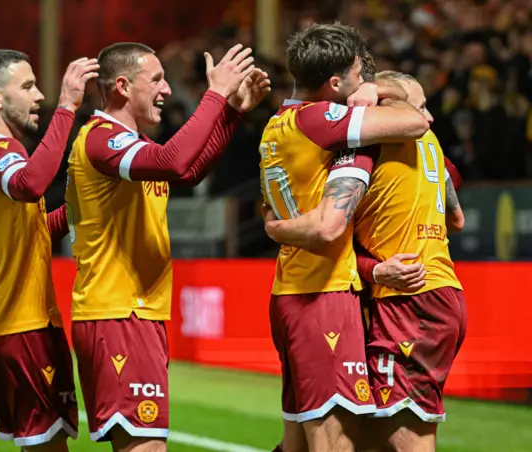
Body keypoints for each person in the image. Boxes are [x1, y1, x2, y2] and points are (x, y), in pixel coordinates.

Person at [64, 42, 270, 451]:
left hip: (136, 311)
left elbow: (188, 171)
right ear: (123, 86)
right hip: (116, 312)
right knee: (145, 447)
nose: (167, 90)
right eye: (156, 80)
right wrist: (215, 95)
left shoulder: (132, 144)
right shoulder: (102, 140)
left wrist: (233, 111)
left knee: (147, 444)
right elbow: (174, 162)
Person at [258, 23, 430, 452]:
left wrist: (277, 228)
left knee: (296, 442)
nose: (364, 85)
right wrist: (377, 95)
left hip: (294, 289)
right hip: (323, 296)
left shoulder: (276, 126)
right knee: (336, 444)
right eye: (359, 75)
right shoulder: (319, 118)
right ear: (335, 83)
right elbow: (414, 121)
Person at [0, 49, 98, 451]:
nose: (40, 97)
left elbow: (29, 230)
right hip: (23, 324)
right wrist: (68, 107)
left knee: (35, 445)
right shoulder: (3, 153)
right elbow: (30, 184)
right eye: (28, 87)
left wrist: (79, 209)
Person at [351, 72, 466, 452]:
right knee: (369, 431)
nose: (428, 118)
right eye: (419, 107)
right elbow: (457, 219)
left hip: (412, 299)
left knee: (407, 439)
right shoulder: (433, 147)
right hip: (439, 291)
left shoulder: (378, 141)